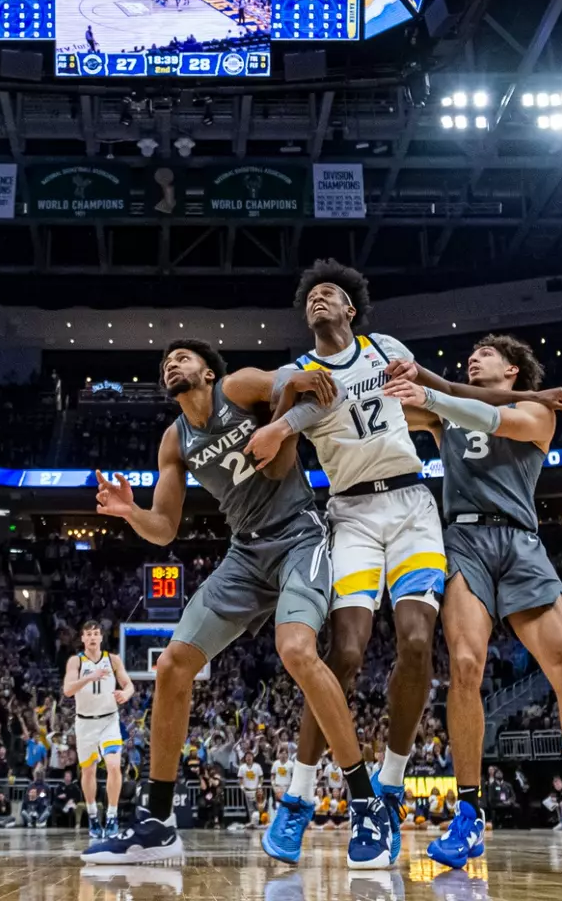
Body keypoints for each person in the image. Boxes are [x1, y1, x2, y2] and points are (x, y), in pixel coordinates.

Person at [249, 261, 562, 865]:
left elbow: (453, 396)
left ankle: (391, 787)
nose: (320, 297)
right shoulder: (296, 373)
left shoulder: (387, 349)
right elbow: (273, 421)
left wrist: (529, 394)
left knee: (419, 643)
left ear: (352, 310)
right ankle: (297, 796)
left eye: (334, 293)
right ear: (306, 315)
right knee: (344, 653)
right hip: (348, 516)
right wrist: (284, 411)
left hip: (412, 508)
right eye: (311, 295)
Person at [82, 339, 393, 867]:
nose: (171, 363)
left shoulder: (237, 386)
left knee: (295, 649)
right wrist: (132, 513)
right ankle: (157, 822)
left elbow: (310, 387)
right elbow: (165, 529)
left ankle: (367, 805)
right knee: (173, 665)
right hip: (246, 553)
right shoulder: (173, 441)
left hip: (300, 537)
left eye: (182, 357)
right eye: (165, 362)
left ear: (207, 372)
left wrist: (282, 417)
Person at [388, 335, 562, 874]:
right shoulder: (447, 413)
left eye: (486, 354)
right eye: (471, 355)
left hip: (520, 542)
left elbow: (482, 418)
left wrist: (430, 390)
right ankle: (468, 816)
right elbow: (394, 407)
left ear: (513, 370)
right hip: (463, 540)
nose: (473, 357)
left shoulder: (537, 408)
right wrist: (384, 379)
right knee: (465, 666)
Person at [64, 620, 135, 840]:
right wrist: (89, 677)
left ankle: (112, 816)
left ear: (101, 637)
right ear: (83, 638)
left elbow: (129, 685)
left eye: (96, 633)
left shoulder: (113, 659)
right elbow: (67, 690)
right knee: (88, 771)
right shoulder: (76, 661)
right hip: (85, 723)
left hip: (109, 720)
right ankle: (93, 814)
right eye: (89, 634)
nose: (93, 637)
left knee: (114, 765)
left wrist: (126, 694)